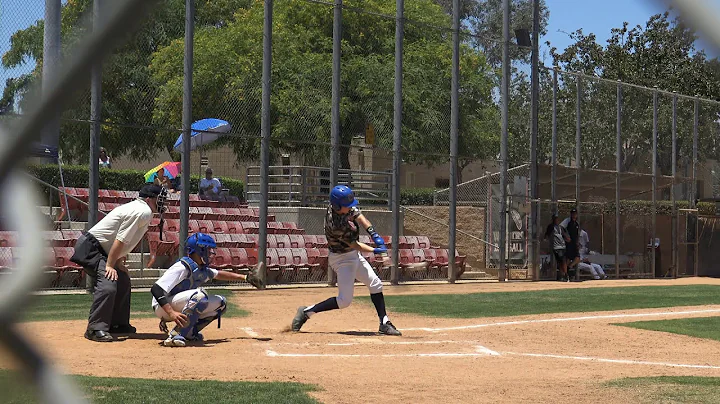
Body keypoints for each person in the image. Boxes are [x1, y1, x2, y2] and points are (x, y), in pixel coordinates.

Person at [291, 185, 402, 336]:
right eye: (346, 206)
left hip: (353, 255)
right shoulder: (335, 224)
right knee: (344, 301)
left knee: (375, 284)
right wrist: (376, 250)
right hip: (342, 259)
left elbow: (360, 217)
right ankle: (306, 312)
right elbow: (355, 244)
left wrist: (374, 234)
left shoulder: (341, 205)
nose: (350, 208)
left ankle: (384, 323)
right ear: (337, 206)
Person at [71, 184, 167, 342]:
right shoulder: (142, 211)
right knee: (108, 284)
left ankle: (117, 324)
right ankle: (95, 329)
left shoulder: (141, 209)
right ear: (150, 199)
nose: (162, 203)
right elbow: (120, 239)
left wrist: (119, 262)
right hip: (91, 248)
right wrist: (110, 265)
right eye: (159, 199)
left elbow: (123, 239)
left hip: (101, 249)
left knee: (122, 279)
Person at [152, 233, 264, 347]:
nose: (210, 253)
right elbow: (156, 289)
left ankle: (188, 333)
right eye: (206, 250)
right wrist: (171, 313)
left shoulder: (200, 268)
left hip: (175, 304)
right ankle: (175, 334)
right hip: (162, 307)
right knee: (199, 295)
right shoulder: (182, 267)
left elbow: (219, 274)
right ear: (198, 250)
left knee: (221, 303)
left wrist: (245, 277)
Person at [545, 212, 571, 282]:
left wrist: (567, 239)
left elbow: (565, 235)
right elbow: (547, 236)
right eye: (555, 219)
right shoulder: (551, 227)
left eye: (557, 219)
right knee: (561, 261)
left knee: (562, 261)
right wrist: (548, 242)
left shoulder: (560, 227)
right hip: (556, 247)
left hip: (562, 246)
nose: (556, 220)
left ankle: (564, 275)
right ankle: (564, 275)